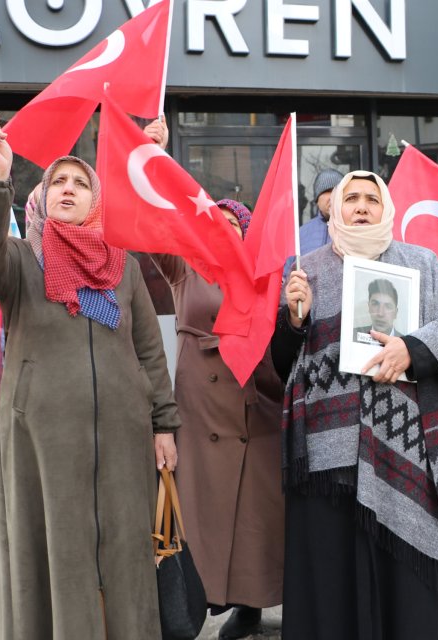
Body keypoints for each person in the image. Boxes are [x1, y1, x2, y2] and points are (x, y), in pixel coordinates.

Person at [0, 116, 180, 639]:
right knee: (53, 551)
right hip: (42, 442)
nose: (68, 189)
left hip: (123, 438)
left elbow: (149, 350)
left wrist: (164, 424)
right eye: (58, 181)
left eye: (80, 183)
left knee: (124, 552)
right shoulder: (20, 260)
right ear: (42, 196)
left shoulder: (122, 265)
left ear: (94, 202)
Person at [274, 170, 438, 639]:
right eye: (351, 198)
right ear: (336, 208)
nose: (362, 206)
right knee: (329, 577)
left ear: (386, 208)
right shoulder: (306, 269)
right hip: (325, 459)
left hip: (405, 448)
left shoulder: (421, 264)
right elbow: (281, 365)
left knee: (401, 588)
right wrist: (293, 320)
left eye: (372, 198)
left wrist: (413, 349)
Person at [151, 193, 286, 640]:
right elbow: (154, 228)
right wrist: (150, 164)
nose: (224, 229)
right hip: (198, 412)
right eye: (216, 221)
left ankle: (249, 606)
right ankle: (190, 608)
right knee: (196, 514)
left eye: (233, 223)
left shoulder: (263, 276)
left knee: (252, 517)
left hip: (254, 408)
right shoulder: (185, 266)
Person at [298, 168, 343, 255]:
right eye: (326, 191)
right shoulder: (301, 234)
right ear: (317, 200)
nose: (332, 196)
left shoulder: (356, 228)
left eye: (337, 190)